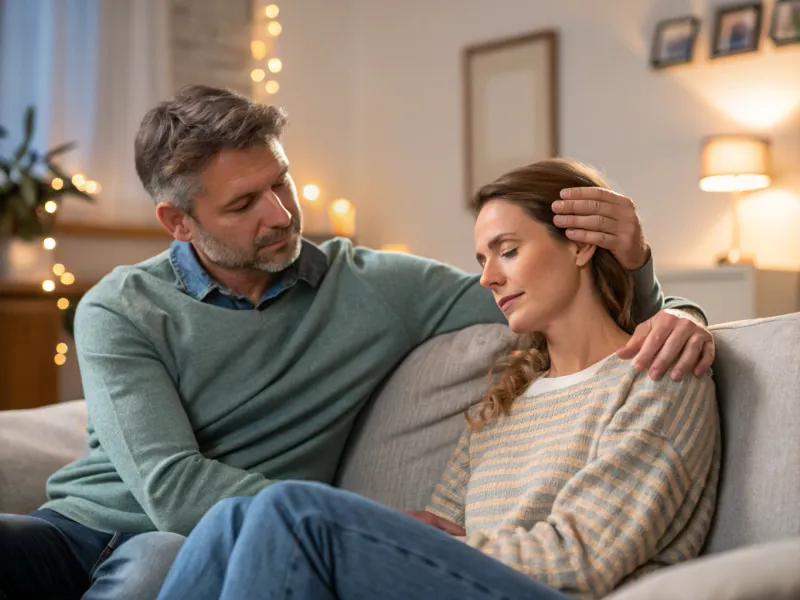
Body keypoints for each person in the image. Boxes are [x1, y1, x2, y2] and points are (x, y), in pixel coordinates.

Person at [0, 86, 713, 600]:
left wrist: (672, 306)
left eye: (282, 183)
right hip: (80, 530)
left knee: (178, 549)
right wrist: (374, 525)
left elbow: (573, 309)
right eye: (244, 205)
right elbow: (172, 488)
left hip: (185, 547)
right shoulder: (120, 308)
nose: (281, 215)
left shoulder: (374, 285)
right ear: (177, 221)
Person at [155, 159, 720, 600]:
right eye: (481, 259)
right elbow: (445, 524)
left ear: (578, 244)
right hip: (466, 585)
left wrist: (403, 545)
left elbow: (580, 561)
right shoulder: (508, 397)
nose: (488, 279)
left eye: (508, 251)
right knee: (234, 517)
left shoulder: (660, 376)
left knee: (292, 512)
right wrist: (418, 544)